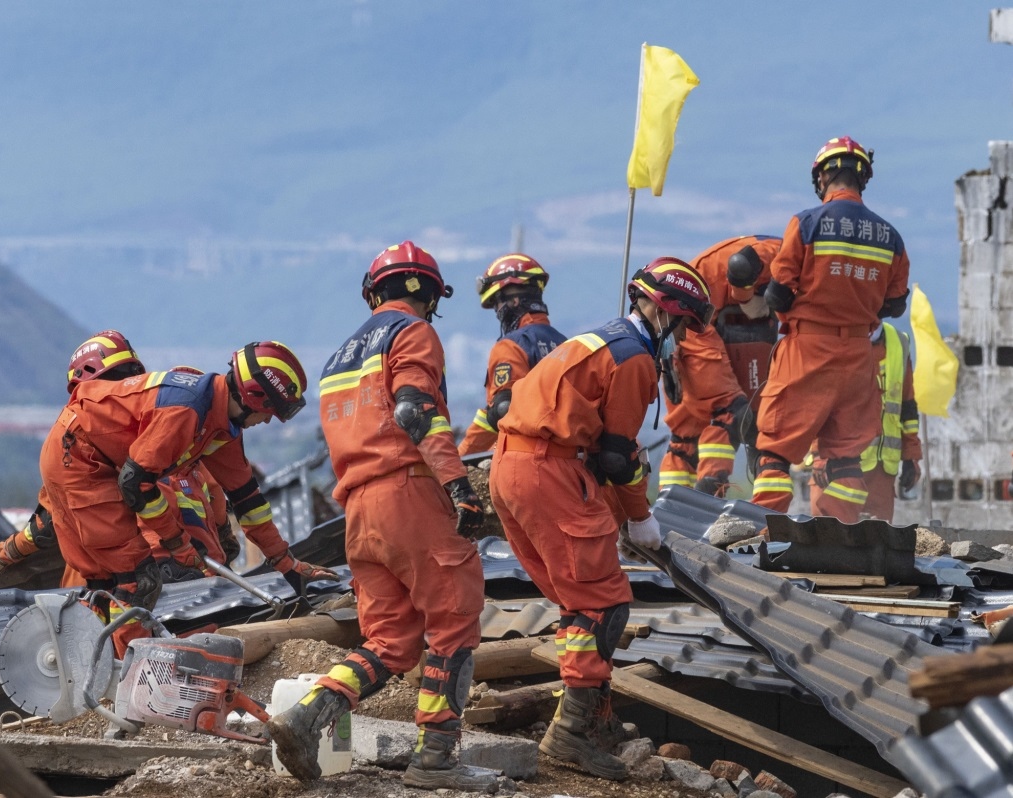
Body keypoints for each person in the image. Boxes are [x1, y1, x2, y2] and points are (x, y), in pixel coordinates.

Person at [267, 241, 496, 791]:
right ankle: (436, 757)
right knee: (455, 614)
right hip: (408, 492)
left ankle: (306, 716)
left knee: (390, 641)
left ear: (373, 292)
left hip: (358, 509)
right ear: (431, 297)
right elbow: (415, 410)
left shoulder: (339, 358)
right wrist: (459, 485)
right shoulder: (412, 333)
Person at [490, 258, 714, 780]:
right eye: (683, 329)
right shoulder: (634, 360)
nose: (682, 342)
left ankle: (597, 718)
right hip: (546, 470)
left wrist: (618, 515)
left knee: (582, 596)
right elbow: (617, 457)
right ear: (667, 316)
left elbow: (599, 458)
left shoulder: (604, 340)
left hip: (516, 466)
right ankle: (570, 733)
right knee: (602, 602)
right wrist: (640, 520)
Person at [39, 337, 336, 654]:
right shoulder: (187, 408)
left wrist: (285, 561)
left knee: (110, 583)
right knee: (135, 580)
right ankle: (128, 678)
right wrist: (176, 541)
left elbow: (247, 499)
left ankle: (94, 659)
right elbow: (136, 483)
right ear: (255, 397)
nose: (266, 421)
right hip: (79, 460)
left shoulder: (221, 425)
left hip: (102, 459)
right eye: (269, 412)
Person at [751, 137, 911, 523]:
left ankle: (755, 540)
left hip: (808, 352)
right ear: (863, 179)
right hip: (859, 357)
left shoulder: (807, 223)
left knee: (775, 452)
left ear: (823, 176)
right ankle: (838, 536)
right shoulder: (891, 237)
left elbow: (778, 294)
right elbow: (895, 304)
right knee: (844, 460)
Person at [0, 350, 239, 579]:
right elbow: (220, 514)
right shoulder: (192, 457)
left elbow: (48, 522)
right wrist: (222, 544)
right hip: (205, 580)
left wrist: (8, 551)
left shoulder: (102, 458)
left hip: (134, 581)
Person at [657, 235, 781, 496]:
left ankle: (670, 510)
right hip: (691, 323)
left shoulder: (789, 251)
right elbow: (741, 265)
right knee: (732, 413)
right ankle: (708, 499)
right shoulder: (786, 253)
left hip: (681, 322)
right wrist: (748, 299)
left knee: (685, 436)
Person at [807, 320, 920, 521]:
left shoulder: (899, 341)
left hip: (881, 470)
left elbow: (907, 405)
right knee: (828, 536)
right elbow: (818, 403)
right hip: (835, 465)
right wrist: (818, 453)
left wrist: (911, 456)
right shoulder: (834, 336)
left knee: (877, 543)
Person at [458, 254, 566, 456]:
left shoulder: (510, 347)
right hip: (567, 464)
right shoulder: (567, 345)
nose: (497, 311)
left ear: (514, 301)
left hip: (525, 460)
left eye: (497, 304)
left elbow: (502, 409)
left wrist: (461, 457)